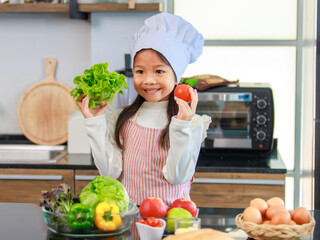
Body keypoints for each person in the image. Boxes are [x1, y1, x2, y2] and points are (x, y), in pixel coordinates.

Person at [77, 12, 211, 206]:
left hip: (171, 223)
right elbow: (109, 173)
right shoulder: (123, 118)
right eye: (140, 71)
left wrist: (181, 125)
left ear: (176, 77)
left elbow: (177, 177)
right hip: (128, 221)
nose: (148, 80)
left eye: (159, 71)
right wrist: (94, 122)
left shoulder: (192, 123)